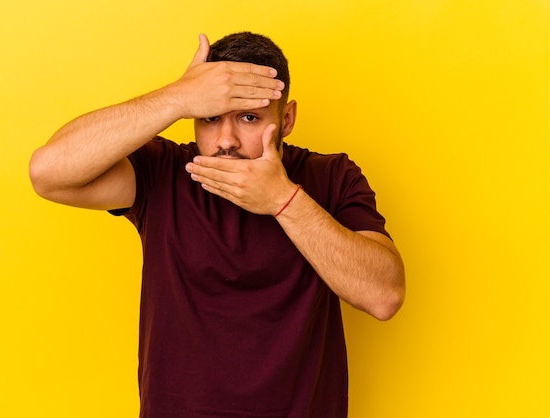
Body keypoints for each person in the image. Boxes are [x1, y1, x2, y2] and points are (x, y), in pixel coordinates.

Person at [29, 31, 405, 418]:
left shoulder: (332, 176)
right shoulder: (166, 172)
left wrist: (284, 200)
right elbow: (48, 173)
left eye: (249, 117)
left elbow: (383, 296)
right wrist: (177, 96)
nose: (226, 139)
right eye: (209, 118)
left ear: (287, 118)